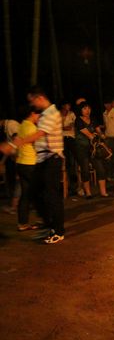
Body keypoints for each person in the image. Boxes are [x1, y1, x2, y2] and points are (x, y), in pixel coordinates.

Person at [0, 86, 66, 244]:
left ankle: (58, 231)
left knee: (51, 195)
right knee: (34, 192)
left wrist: (15, 144)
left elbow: (39, 134)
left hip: (52, 158)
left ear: (40, 98)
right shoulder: (44, 114)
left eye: (32, 101)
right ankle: (49, 225)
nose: (32, 105)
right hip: (42, 160)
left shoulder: (52, 113)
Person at [74, 102, 110, 198]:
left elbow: (99, 131)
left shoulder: (93, 119)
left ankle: (103, 192)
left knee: (100, 169)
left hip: (94, 148)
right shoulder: (78, 120)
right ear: (80, 110)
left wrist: (102, 135)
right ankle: (88, 193)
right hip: (82, 149)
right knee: (85, 170)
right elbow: (89, 134)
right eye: (85, 108)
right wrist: (95, 136)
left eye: (89, 108)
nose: (87, 111)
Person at [15, 105, 41, 231]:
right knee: (39, 192)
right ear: (32, 113)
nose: (39, 118)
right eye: (38, 115)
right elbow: (37, 144)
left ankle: (23, 223)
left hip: (21, 162)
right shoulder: (31, 127)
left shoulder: (22, 125)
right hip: (30, 163)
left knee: (25, 194)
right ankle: (44, 219)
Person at [60, 101, 78, 196]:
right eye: (67, 104)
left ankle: (74, 186)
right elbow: (59, 127)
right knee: (65, 163)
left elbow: (73, 126)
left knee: (72, 161)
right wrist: (64, 127)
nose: (69, 106)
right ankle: (65, 187)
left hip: (71, 138)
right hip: (62, 140)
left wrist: (64, 127)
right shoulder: (58, 115)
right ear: (63, 105)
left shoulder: (72, 114)